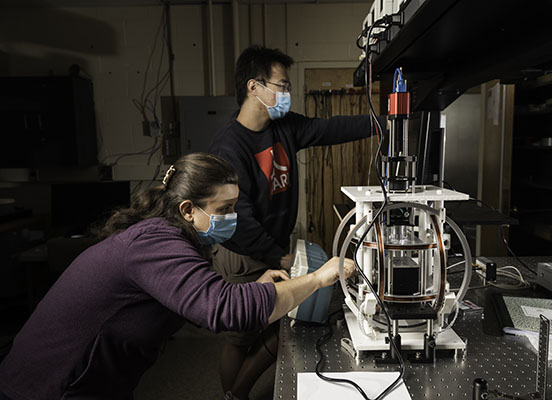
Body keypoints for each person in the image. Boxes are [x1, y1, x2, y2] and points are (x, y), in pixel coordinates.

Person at [0, 153, 354, 400]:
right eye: (224, 210)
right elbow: (226, 310)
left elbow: (197, 295)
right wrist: (319, 278)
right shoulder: (155, 243)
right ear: (188, 209)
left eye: (234, 207)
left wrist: (249, 289)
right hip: (52, 385)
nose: (233, 217)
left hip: (96, 378)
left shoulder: (166, 235)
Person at [207, 45, 378, 398]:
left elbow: (329, 129)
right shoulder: (229, 146)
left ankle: (235, 394)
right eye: (281, 86)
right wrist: (279, 256)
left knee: (283, 326)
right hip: (244, 255)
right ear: (254, 87)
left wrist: (381, 122)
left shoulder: (283, 127)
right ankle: (233, 395)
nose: (286, 94)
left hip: (275, 249)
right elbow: (240, 218)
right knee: (241, 337)